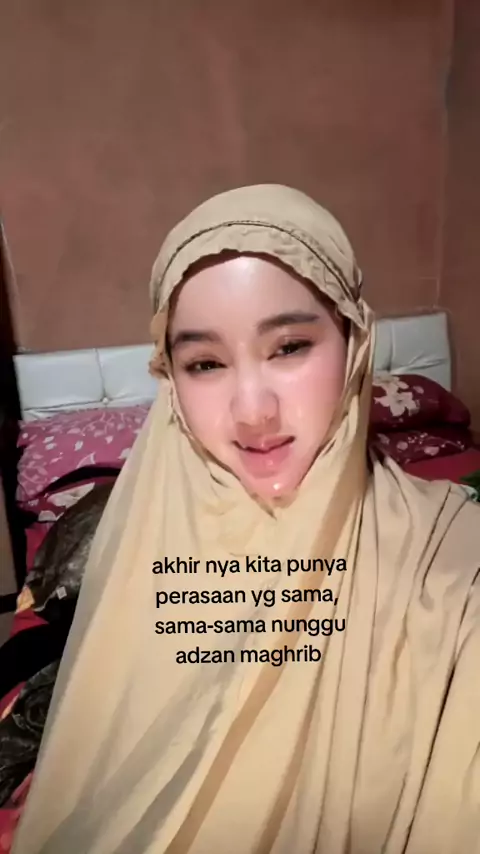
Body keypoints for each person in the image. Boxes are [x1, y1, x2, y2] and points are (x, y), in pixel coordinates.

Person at [12, 185, 480, 854]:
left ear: (352, 344)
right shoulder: (134, 545)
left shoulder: (455, 562)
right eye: (205, 363)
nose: (253, 411)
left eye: (289, 347)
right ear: (171, 381)